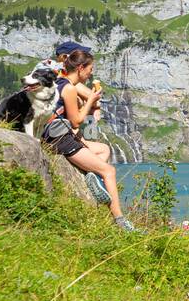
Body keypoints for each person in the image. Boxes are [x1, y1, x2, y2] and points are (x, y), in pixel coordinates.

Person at [41, 49, 134, 231]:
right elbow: (76, 120)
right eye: (90, 69)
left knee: (103, 150)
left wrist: (89, 103)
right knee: (109, 171)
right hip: (60, 138)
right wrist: (91, 99)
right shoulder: (68, 88)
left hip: (58, 134)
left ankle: (92, 178)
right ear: (81, 68)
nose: (91, 73)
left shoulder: (61, 82)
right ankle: (120, 221)